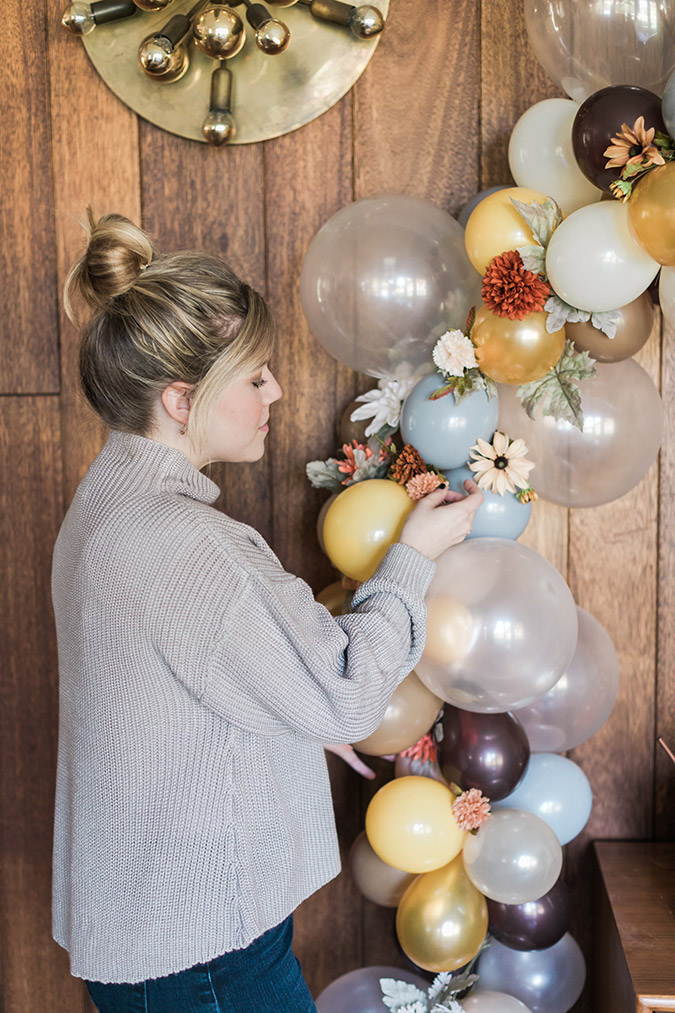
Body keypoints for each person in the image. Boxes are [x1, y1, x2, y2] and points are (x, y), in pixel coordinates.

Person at [51, 210, 483, 1013]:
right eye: (254, 377)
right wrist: (411, 558)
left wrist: (286, 701)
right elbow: (350, 696)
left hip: (152, 936)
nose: (275, 390)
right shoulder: (186, 542)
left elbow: (167, 685)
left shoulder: (103, 510)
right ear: (181, 401)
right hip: (203, 949)